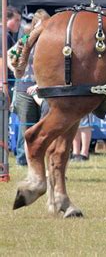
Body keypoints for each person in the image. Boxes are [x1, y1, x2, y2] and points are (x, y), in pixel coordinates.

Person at [7, 9, 50, 166]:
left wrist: (39, 84)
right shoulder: (26, 39)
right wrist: (18, 71)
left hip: (43, 89)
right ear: (35, 24)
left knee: (44, 127)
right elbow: (9, 56)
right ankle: (24, 160)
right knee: (26, 128)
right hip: (24, 88)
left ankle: (39, 161)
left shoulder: (50, 41)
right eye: (41, 23)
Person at [1, 6, 21, 99]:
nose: (19, 23)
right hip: (6, 81)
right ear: (6, 19)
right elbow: (1, 58)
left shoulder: (6, 34)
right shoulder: (4, 35)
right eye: (16, 20)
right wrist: (1, 81)